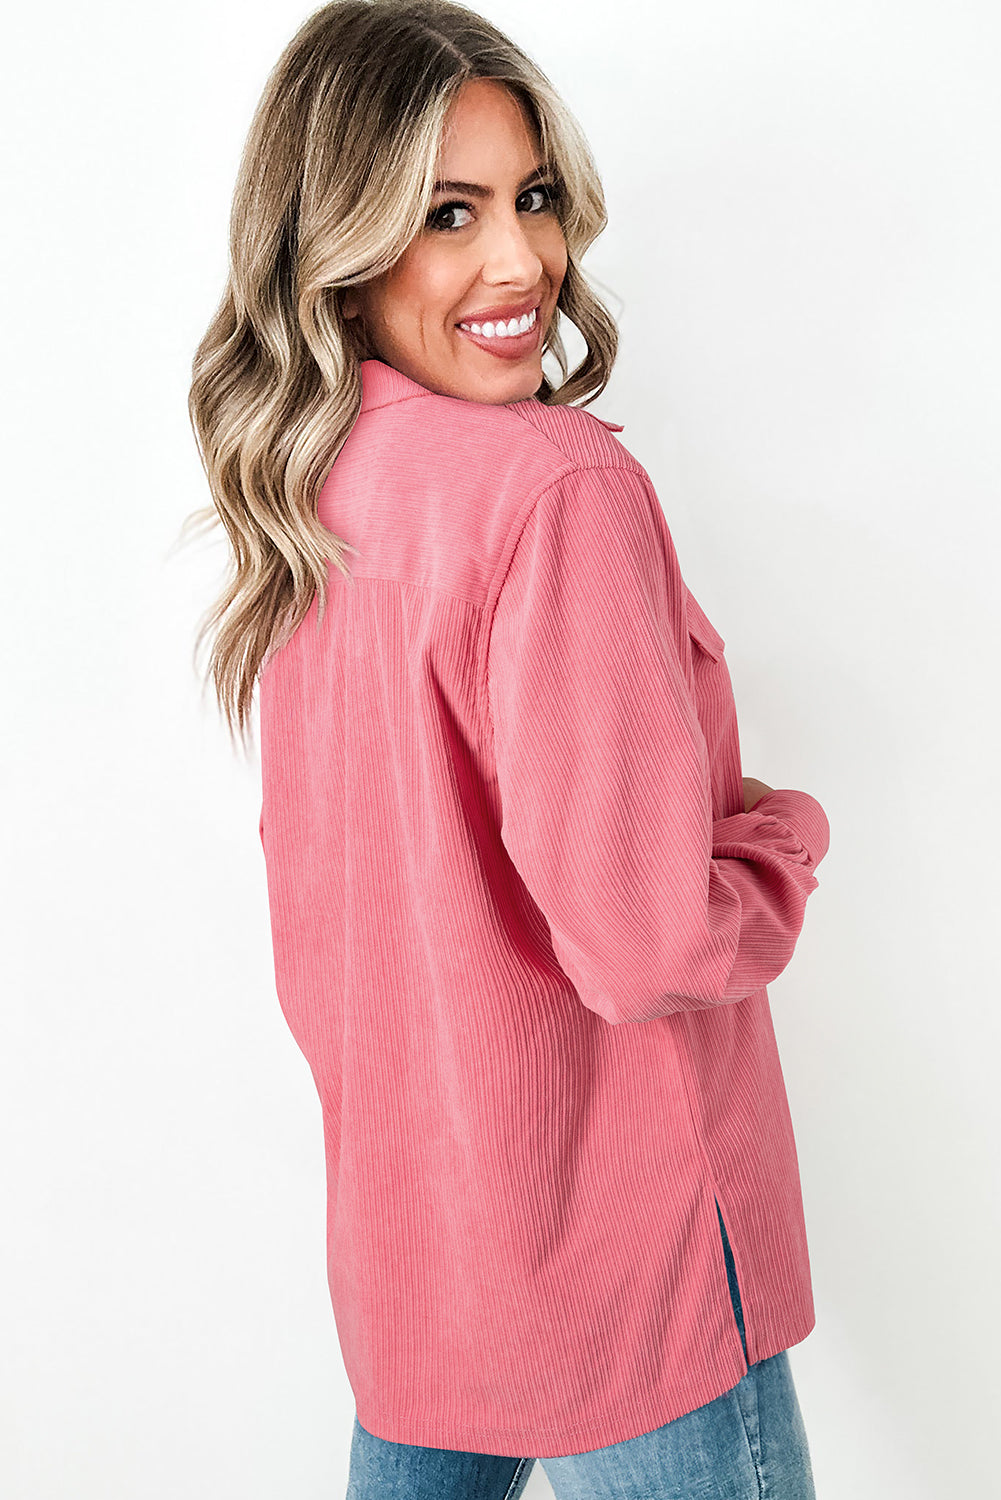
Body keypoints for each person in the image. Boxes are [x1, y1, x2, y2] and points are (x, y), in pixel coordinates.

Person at [186, 2, 830, 1495]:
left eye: (532, 198)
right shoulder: (551, 488)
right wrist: (780, 844)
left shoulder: (317, 482)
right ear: (338, 244)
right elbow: (647, 943)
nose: (522, 262)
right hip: (622, 1260)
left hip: (425, 1246)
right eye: (447, 215)